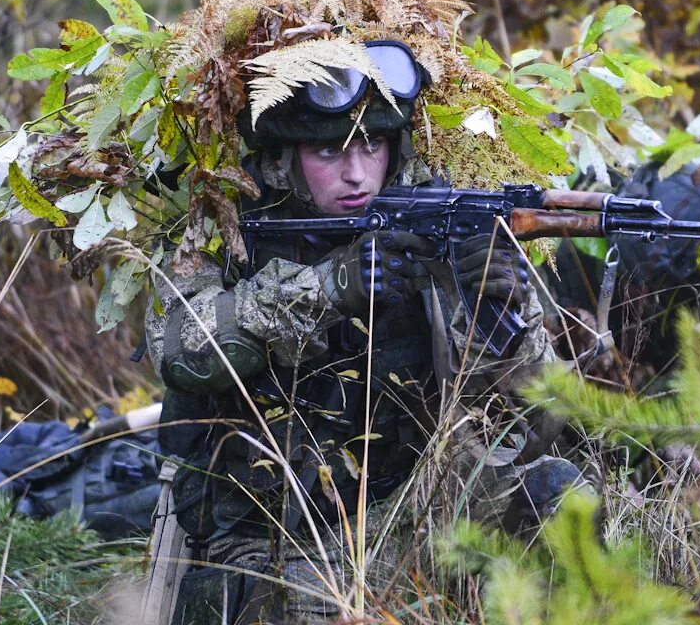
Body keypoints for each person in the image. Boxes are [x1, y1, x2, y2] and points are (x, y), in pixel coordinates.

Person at [146, 39, 579, 624]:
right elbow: (181, 353)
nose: (355, 174)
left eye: (371, 146)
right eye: (329, 151)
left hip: (417, 512)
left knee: (561, 498)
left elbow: (546, 414)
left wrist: (493, 306)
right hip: (273, 543)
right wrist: (328, 287)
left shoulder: (435, 214)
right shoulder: (224, 218)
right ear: (286, 156)